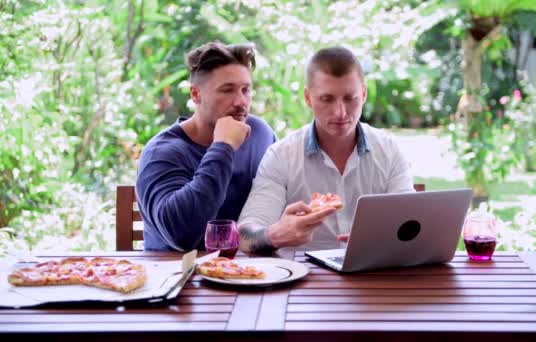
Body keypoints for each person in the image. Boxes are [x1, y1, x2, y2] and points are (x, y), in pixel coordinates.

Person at [238, 46, 414, 253]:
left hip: (372, 274)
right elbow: (245, 236)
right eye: (327, 99)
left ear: (364, 94)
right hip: (303, 279)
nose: (340, 112)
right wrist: (275, 234)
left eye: (350, 98)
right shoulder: (281, 156)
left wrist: (391, 234)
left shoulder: (389, 150)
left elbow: (410, 221)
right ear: (308, 98)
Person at [136, 41, 275, 251]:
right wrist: (223, 147)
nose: (240, 101)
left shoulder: (260, 134)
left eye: (246, 90)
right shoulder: (162, 152)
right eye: (227, 90)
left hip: (251, 272)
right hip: (179, 275)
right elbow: (182, 235)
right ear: (195, 94)